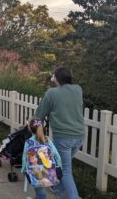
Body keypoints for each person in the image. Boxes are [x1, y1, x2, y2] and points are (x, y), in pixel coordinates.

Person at [35, 67, 84, 199]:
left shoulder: (52, 93)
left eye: (53, 75)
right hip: (79, 137)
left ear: (56, 78)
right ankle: (58, 190)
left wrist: (33, 125)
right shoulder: (78, 89)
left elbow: (39, 115)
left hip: (63, 138)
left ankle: (74, 197)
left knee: (66, 170)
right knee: (62, 166)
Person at [21, 118, 62, 199]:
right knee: (41, 194)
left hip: (34, 172)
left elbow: (24, 159)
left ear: (30, 129)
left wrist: (23, 170)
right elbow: (56, 155)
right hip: (49, 171)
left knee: (41, 193)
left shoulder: (28, 142)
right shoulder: (47, 140)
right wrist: (59, 167)